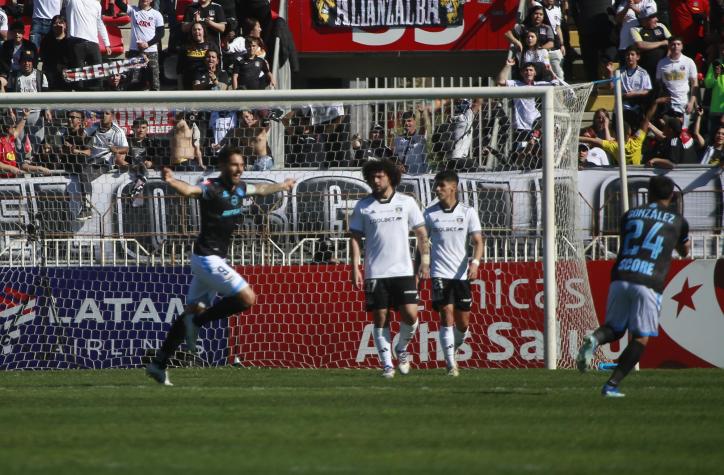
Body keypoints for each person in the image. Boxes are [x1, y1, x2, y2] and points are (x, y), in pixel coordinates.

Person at [145, 147, 295, 385]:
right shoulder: (211, 188)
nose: (240, 169)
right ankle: (198, 323)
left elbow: (263, 189)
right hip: (207, 259)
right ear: (223, 165)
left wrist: (283, 186)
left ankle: (159, 363)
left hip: (212, 260)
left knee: (191, 312)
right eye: (235, 165)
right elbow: (190, 191)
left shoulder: (242, 188)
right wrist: (172, 181)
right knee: (247, 299)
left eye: (242, 165)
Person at [576, 175, 690, 397]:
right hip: (648, 279)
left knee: (615, 329)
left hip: (621, 275)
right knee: (640, 337)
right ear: (673, 196)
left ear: (649, 193)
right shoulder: (677, 221)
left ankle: (595, 339)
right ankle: (611, 386)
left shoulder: (629, 215)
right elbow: (684, 250)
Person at [349, 159, 429, 378]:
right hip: (376, 271)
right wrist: (355, 267)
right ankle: (386, 365)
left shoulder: (407, 202)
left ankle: (401, 348)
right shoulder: (363, 206)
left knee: (411, 315)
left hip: (403, 270)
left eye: (380, 176)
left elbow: (422, 233)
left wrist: (425, 261)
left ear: (391, 177)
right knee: (380, 317)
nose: (375, 180)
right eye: (372, 177)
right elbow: (355, 237)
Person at [423, 170, 483, 376]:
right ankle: (450, 365)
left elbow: (478, 242)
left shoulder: (467, 213)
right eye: (436, 185)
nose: (437, 189)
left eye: (441, 185)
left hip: (461, 275)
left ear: (453, 187)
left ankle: (452, 349)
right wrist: (421, 265)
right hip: (439, 272)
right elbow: (423, 243)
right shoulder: (430, 214)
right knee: (446, 314)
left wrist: (474, 263)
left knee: (463, 323)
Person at [115, 0, 164, 91]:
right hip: (135, 51)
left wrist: (148, 44)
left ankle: (155, 103)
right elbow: (118, 3)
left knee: (154, 81)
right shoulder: (133, 10)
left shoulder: (156, 14)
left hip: (151, 52)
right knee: (133, 80)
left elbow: (161, 33)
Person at [65, 0, 112, 90]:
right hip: (76, 43)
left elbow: (99, 23)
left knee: (97, 77)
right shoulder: (72, 1)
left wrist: (107, 43)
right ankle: (79, 101)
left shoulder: (97, 4)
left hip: (93, 44)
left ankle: (96, 100)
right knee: (79, 79)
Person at [0, 109, 52, 177]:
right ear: (8, 129)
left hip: (12, 178)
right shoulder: (1, 143)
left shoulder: (10, 139)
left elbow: (19, 129)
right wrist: (10, 168)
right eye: (14, 127)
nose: (15, 128)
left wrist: (25, 117)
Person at [655, 36, 698, 117]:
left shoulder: (689, 62)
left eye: (678, 44)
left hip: (684, 104)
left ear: (682, 46)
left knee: (683, 129)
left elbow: (694, 83)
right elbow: (658, 82)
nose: (676, 47)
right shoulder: (662, 63)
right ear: (669, 46)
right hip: (667, 105)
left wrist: (691, 103)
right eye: (673, 44)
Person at [607, 46, 652, 117]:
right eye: (627, 55)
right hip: (620, 109)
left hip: (635, 109)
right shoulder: (619, 72)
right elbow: (612, 87)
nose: (629, 57)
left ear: (638, 57)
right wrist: (610, 73)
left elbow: (646, 90)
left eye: (632, 54)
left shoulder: (643, 73)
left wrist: (634, 94)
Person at [630, 8, 671, 82]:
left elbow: (671, 42)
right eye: (653, 17)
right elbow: (641, 45)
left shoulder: (661, 26)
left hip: (664, 66)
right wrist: (662, 43)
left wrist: (668, 58)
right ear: (644, 19)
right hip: (647, 68)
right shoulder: (636, 29)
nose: (657, 19)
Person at [177, 22, 214, 90]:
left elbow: (216, 62)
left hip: (207, 80)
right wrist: (180, 87)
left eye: (199, 29)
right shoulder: (185, 47)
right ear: (191, 32)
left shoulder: (211, 45)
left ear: (203, 31)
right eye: (194, 29)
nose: (197, 31)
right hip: (188, 82)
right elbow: (179, 69)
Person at [39, 15, 70, 91]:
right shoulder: (46, 40)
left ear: (65, 25)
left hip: (66, 75)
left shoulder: (70, 41)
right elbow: (43, 56)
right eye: (55, 23)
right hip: (50, 75)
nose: (58, 25)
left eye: (60, 23)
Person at [392, 110, 427, 174]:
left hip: (419, 175)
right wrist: (399, 165)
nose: (406, 123)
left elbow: (423, 128)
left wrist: (422, 114)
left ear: (414, 122)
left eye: (409, 121)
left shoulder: (419, 137)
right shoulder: (398, 139)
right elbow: (395, 156)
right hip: (404, 176)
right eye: (404, 121)